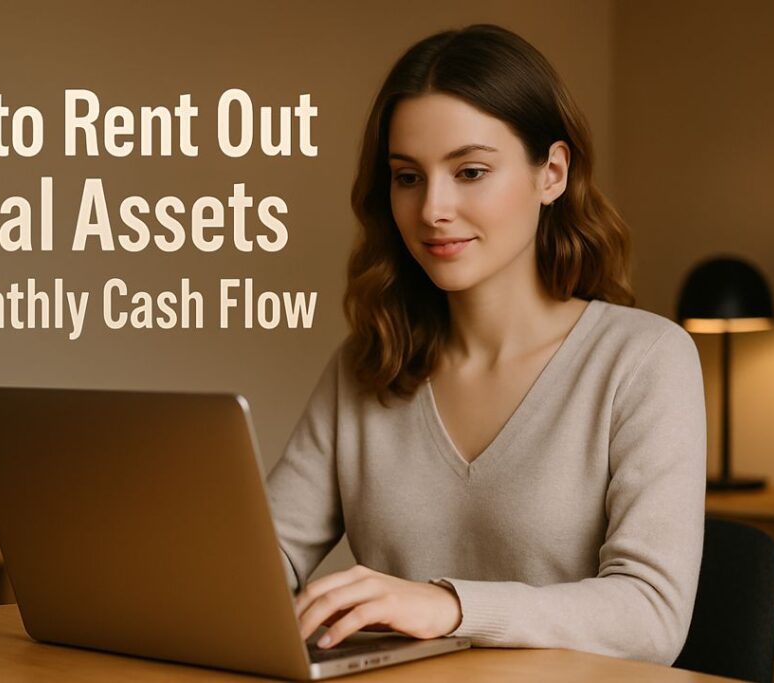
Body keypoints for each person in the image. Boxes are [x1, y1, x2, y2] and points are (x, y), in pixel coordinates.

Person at [265, 24, 707, 667]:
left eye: (470, 171)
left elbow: (651, 616)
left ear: (551, 173)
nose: (432, 209)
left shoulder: (644, 360)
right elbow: (261, 559)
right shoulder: (368, 366)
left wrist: (450, 605)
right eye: (407, 177)